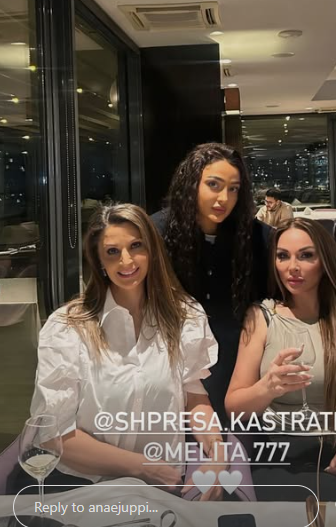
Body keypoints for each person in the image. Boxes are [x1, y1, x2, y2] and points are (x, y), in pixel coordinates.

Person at [12, 204, 226, 499]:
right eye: (112, 251)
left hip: (164, 490)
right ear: (99, 261)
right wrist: (144, 467)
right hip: (86, 489)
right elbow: (54, 435)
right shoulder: (67, 327)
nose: (126, 260)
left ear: (152, 250)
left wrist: (218, 453)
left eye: (136, 246)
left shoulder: (185, 316)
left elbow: (194, 397)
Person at [225, 217, 336, 502]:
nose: (292, 267)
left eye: (306, 256)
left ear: (325, 261)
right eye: (283, 256)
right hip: (284, 452)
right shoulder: (261, 317)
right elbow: (234, 407)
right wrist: (266, 388)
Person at [151, 143, 272, 421]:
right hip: (172, 354)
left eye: (233, 189)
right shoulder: (157, 232)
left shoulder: (257, 237)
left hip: (238, 356)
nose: (224, 198)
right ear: (191, 184)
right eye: (213, 185)